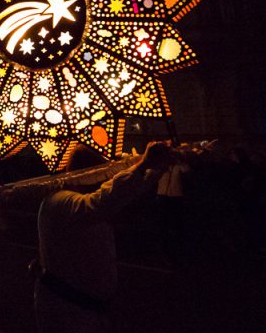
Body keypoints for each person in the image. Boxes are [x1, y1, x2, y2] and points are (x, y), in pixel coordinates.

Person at [33, 142, 171, 333]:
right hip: (67, 310)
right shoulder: (59, 201)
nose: (107, 180)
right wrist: (143, 165)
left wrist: (158, 167)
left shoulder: (78, 201)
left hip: (89, 308)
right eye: (104, 174)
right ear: (90, 174)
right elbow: (103, 201)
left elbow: (126, 193)